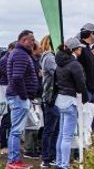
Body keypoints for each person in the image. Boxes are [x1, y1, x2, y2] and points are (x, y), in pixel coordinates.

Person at [5, 30, 40, 169]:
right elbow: (17, 77)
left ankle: (13, 161)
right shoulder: (20, 54)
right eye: (32, 40)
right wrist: (24, 95)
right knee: (16, 131)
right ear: (24, 40)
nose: (34, 43)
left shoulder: (19, 53)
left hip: (17, 96)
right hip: (19, 97)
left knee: (16, 130)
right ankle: (13, 162)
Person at [54, 37, 89, 169]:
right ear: (76, 49)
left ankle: (59, 162)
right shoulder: (74, 64)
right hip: (71, 101)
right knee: (67, 136)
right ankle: (64, 165)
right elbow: (81, 84)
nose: (81, 50)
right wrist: (85, 99)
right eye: (79, 48)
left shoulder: (60, 62)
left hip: (61, 99)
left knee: (62, 134)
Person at [39, 35, 58, 168]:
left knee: (52, 128)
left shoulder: (47, 56)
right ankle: (47, 157)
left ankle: (50, 156)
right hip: (51, 97)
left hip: (50, 96)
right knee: (50, 129)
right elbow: (57, 73)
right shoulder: (50, 57)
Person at [23, 40, 43, 160]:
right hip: (33, 96)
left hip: (36, 95)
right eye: (39, 48)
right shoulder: (31, 61)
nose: (41, 50)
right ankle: (29, 149)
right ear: (33, 50)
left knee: (37, 123)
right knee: (31, 123)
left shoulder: (36, 61)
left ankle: (33, 147)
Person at [0, 41, 15, 156]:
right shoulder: (5, 60)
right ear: (10, 49)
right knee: (6, 118)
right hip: (5, 88)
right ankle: (4, 145)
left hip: (9, 88)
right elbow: (10, 75)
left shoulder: (9, 58)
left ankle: (9, 144)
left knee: (10, 119)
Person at [78, 23, 94, 102]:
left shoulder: (87, 48)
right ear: (91, 34)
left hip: (91, 88)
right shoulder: (81, 49)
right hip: (87, 89)